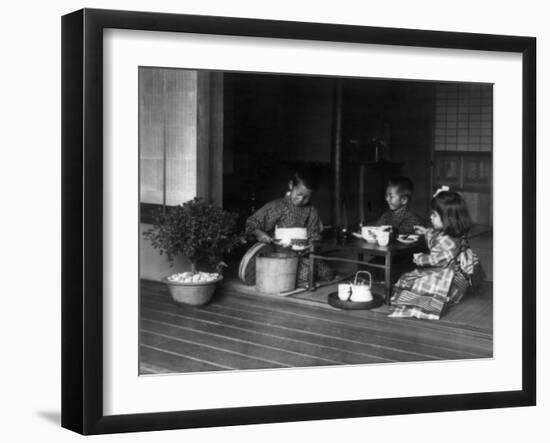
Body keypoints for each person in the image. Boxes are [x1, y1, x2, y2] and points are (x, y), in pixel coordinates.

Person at [388, 188, 482, 320]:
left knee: (413, 281)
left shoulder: (448, 241)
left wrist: (421, 258)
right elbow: (436, 237)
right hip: (451, 272)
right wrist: (426, 232)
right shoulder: (453, 233)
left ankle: (432, 302)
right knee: (409, 277)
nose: (431, 217)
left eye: (434, 215)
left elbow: (437, 259)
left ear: (448, 218)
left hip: (449, 278)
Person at [245, 168, 333, 285]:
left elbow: (314, 234)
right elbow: (252, 222)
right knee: (307, 275)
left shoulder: (311, 210)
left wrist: (311, 247)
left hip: (305, 253)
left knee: (327, 273)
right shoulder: (277, 206)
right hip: (283, 254)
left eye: (306, 197)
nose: (301, 199)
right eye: (299, 194)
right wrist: (259, 233)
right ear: (291, 185)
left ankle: (301, 270)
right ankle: (287, 274)